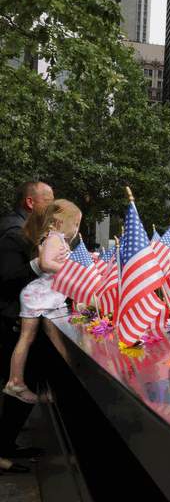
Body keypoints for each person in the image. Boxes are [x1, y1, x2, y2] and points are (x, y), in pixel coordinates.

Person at [0, 184, 66, 472]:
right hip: (11, 324)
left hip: (19, 320)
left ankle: (6, 444)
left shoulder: (27, 230)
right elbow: (6, 280)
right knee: (17, 390)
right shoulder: (13, 232)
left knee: (21, 392)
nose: (54, 206)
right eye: (49, 201)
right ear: (30, 202)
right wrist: (41, 265)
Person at [4, 200, 79, 404]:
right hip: (38, 297)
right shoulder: (54, 237)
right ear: (61, 220)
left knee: (29, 338)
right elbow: (46, 264)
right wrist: (70, 270)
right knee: (27, 338)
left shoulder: (55, 238)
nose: (75, 229)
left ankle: (19, 381)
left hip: (42, 296)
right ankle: (16, 382)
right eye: (74, 223)